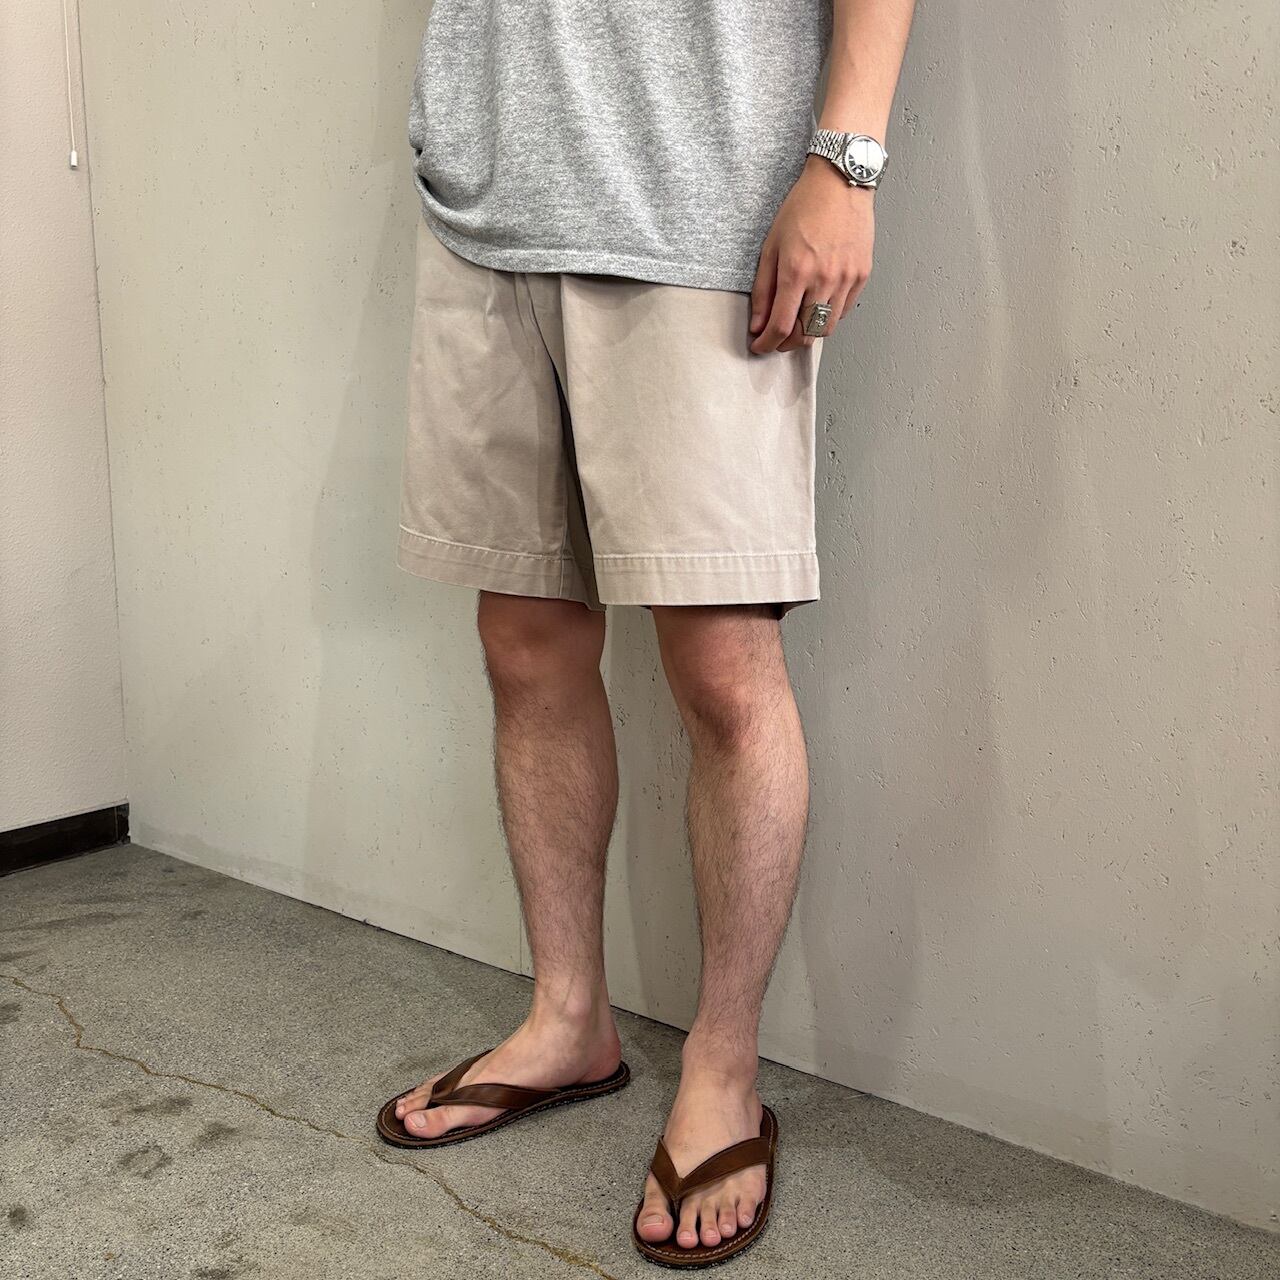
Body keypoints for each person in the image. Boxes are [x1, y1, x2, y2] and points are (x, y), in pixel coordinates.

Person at [378, 0, 915, 1266]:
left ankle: (722, 1069)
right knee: (523, 637)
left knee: (721, 662)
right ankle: (568, 1016)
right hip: (487, 197)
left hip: (700, 200)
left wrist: (847, 160)